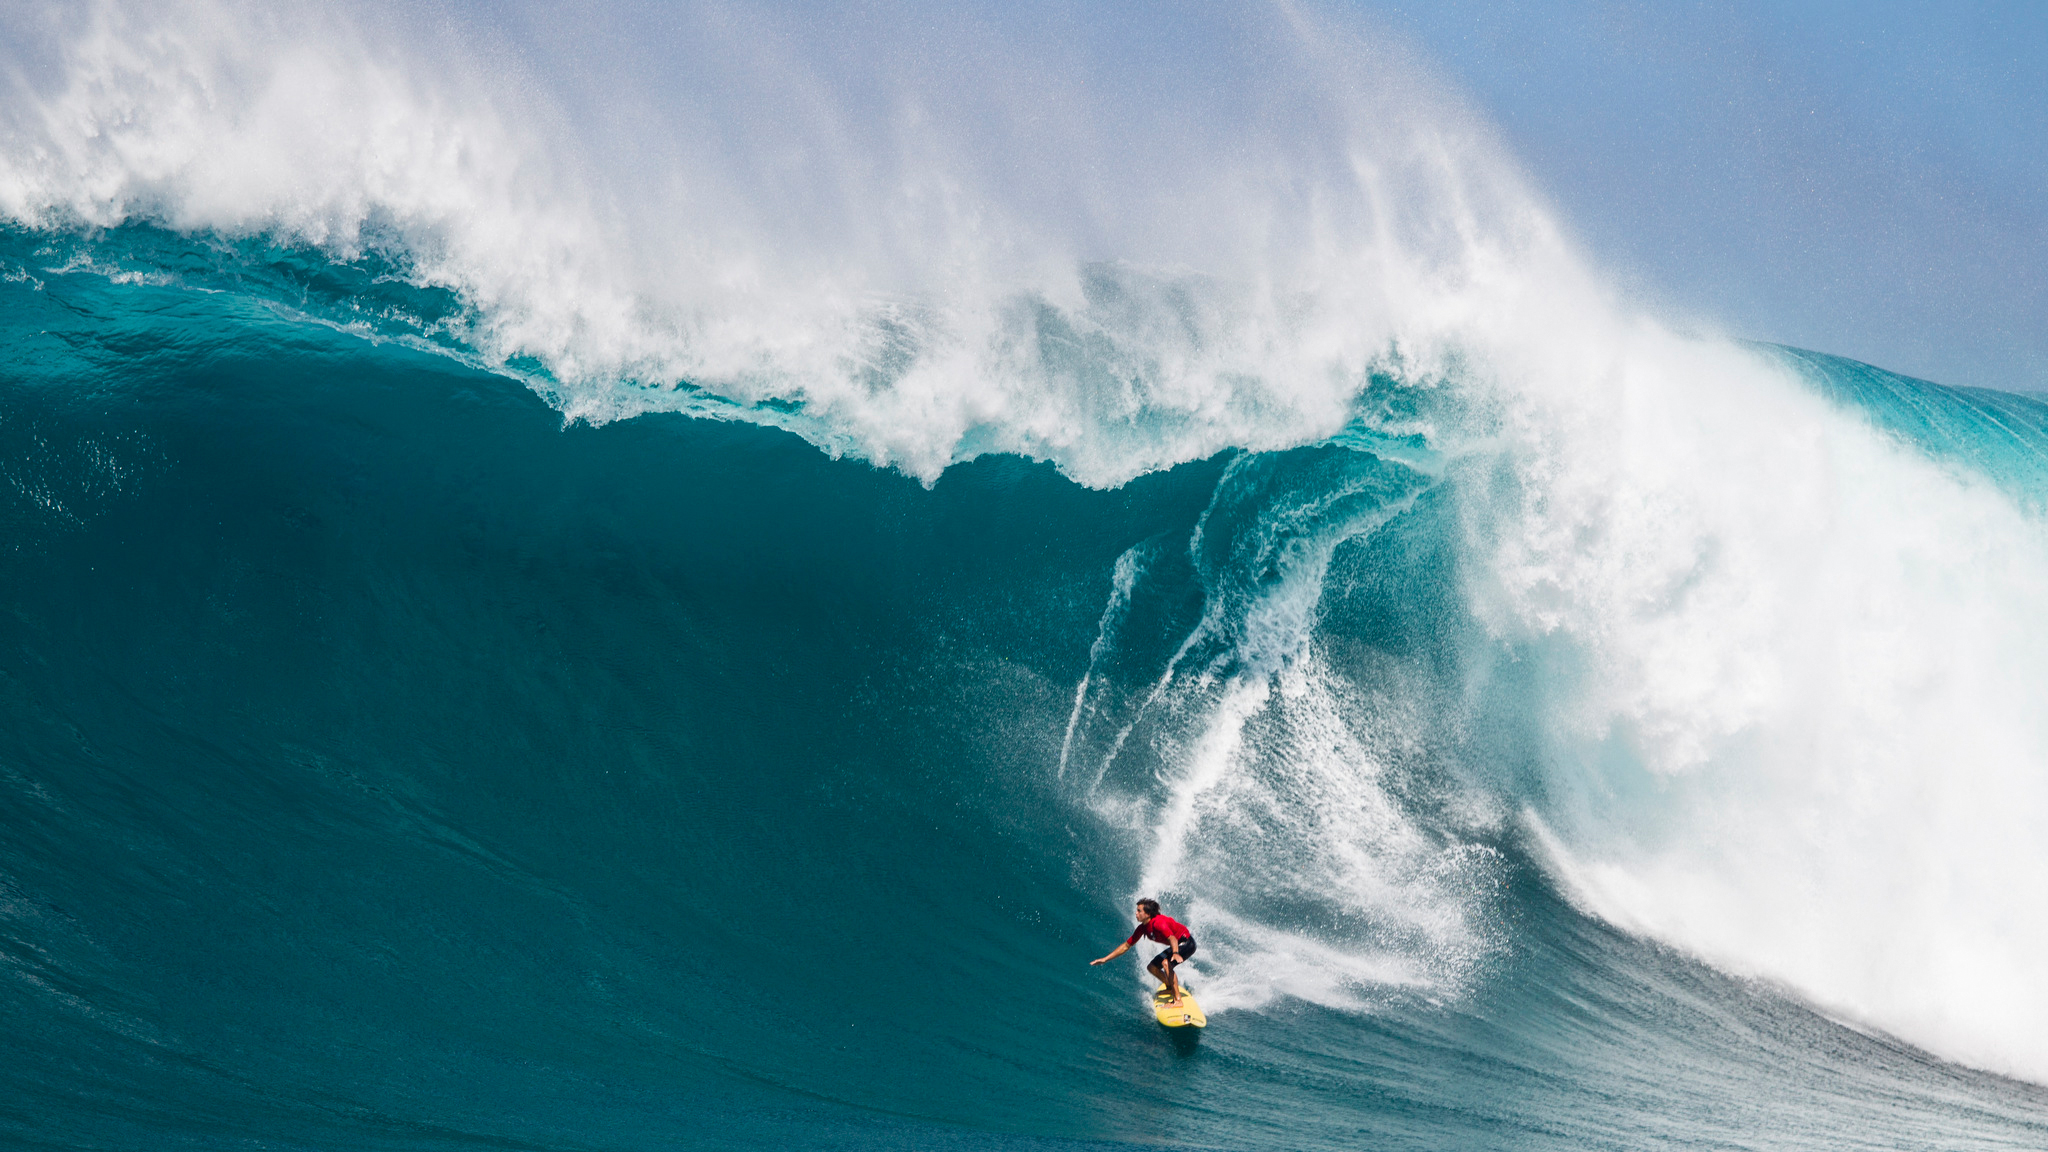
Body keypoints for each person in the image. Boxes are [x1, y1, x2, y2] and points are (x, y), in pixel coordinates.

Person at [1090, 898, 1196, 1005]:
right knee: (1152, 967)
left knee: (1166, 963)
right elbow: (1126, 946)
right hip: (1176, 945)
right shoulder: (1142, 928)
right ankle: (1169, 986)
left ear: (1148, 914)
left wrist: (1175, 953)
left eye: (1139, 911)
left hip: (1186, 943)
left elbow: (1172, 938)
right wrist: (1105, 959)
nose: (1136, 913)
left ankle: (1178, 1000)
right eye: (1136, 910)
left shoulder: (1159, 923)